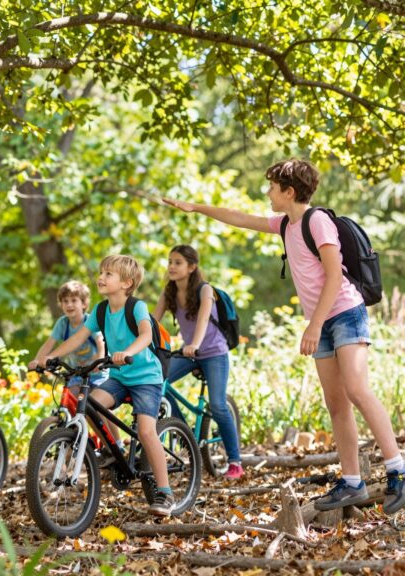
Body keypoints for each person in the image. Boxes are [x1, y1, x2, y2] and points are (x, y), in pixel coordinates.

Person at [163, 158, 404, 515]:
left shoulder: (316, 221)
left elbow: (335, 276)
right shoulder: (285, 224)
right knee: (336, 403)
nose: (267, 193)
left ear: (289, 191)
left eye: (272, 187)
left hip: (344, 315)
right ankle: (352, 481)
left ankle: (397, 470)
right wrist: (196, 207)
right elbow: (240, 217)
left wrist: (314, 324)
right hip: (322, 322)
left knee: (356, 388)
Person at [44, 255, 175, 516]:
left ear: (126, 283)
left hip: (146, 377)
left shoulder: (136, 307)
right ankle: (115, 450)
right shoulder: (102, 310)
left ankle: (165, 492)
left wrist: (126, 352)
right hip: (120, 377)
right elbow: (79, 337)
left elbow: (146, 335)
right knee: (90, 404)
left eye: (108, 274)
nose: (101, 277)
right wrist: (53, 356)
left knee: (148, 432)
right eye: (101, 272)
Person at [153, 245, 243, 479]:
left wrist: (195, 344)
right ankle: (185, 433)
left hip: (213, 352)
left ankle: (235, 462)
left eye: (178, 262)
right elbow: (152, 323)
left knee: (218, 405)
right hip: (188, 352)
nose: (171, 266)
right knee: (156, 381)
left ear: (192, 267)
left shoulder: (205, 291)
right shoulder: (169, 293)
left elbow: (203, 319)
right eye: (170, 261)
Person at [28, 280, 124, 457]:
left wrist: (98, 360)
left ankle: (117, 444)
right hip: (76, 373)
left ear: (84, 303)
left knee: (99, 408)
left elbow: (100, 343)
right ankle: (75, 437)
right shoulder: (62, 324)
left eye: (74, 300)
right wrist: (38, 361)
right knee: (71, 402)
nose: (69, 304)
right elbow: (48, 345)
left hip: (97, 372)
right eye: (65, 301)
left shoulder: (89, 322)